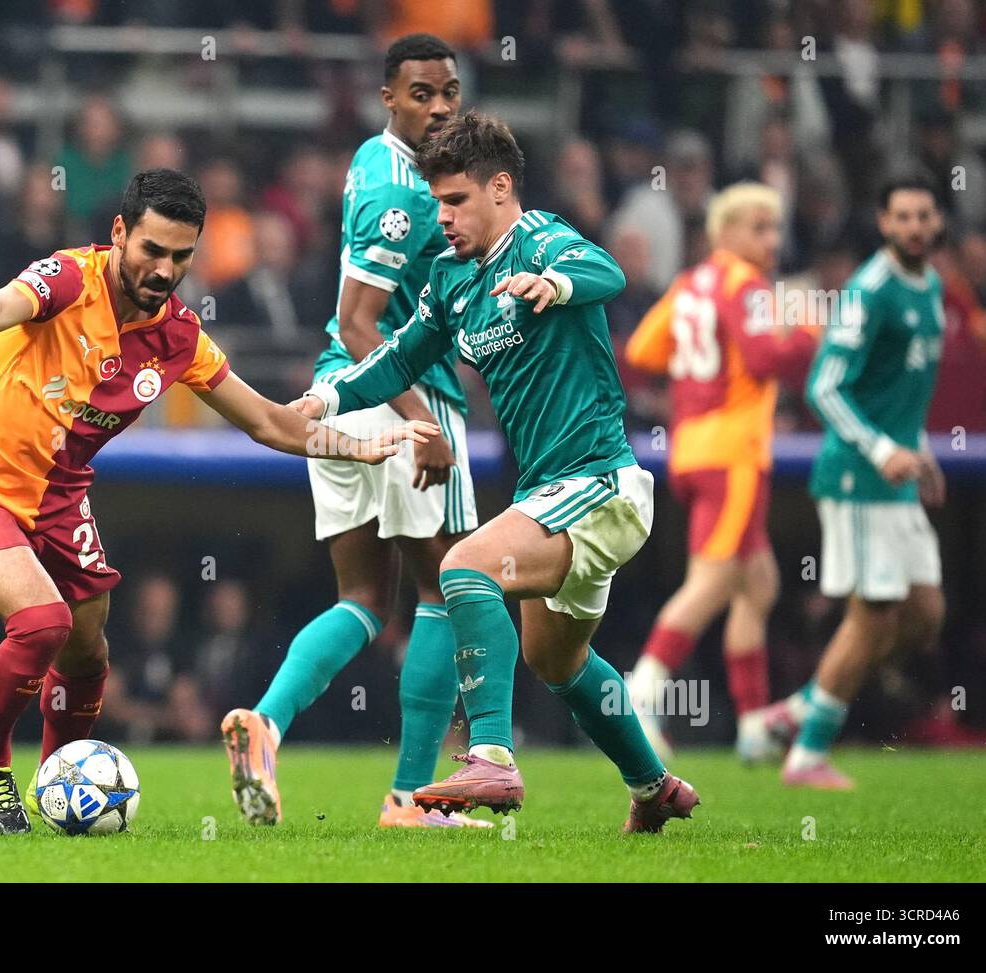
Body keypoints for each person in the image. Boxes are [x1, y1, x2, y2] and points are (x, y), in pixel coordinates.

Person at [0, 168, 436, 834]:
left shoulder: (180, 337)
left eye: (181, 256)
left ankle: (58, 781)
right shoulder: (70, 279)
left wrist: (354, 445)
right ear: (118, 235)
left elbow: (269, 420)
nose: (165, 269)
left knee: (87, 656)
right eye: (152, 251)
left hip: (59, 497)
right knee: (42, 622)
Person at [294, 111, 699, 833]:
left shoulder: (540, 237)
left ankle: (491, 757)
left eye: (454, 201)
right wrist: (325, 395)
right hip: (551, 492)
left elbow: (605, 270)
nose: (440, 217)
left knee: (465, 567)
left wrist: (555, 284)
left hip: (602, 480)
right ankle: (653, 784)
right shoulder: (451, 278)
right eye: (435, 201)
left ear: (501, 188)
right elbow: (399, 357)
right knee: (557, 659)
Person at [220, 34, 488, 829]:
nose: (438, 106)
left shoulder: (373, 160)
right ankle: (411, 798)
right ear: (387, 97)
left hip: (335, 393)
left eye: (448, 91)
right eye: (420, 93)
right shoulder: (402, 195)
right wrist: (420, 424)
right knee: (448, 591)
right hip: (401, 396)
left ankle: (265, 722)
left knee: (366, 597)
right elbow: (359, 321)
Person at [751, 175, 947, 789]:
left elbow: (900, 391)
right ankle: (806, 755)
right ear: (885, 224)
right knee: (871, 616)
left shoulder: (933, 285)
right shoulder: (870, 291)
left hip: (897, 474)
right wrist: (883, 448)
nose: (914, 226)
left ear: (936, 221)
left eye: (924, 215)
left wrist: (916, 450)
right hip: (858, 478)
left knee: (924, 614)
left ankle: (797, 709)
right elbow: (823, 386)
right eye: (902, 216)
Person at [622, 183, 817, 762]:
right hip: (733, 455)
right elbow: (763, 361)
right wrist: (806, 331)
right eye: (759, 228)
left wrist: (696, 378)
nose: (772, 240)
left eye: (775, 228)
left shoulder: (690, 283)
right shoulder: (746, 285)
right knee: (710, 583)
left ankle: (755, 725)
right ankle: (640, 692)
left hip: (691, 449)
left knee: (758, 583)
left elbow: (642, 353)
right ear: (725, 232)